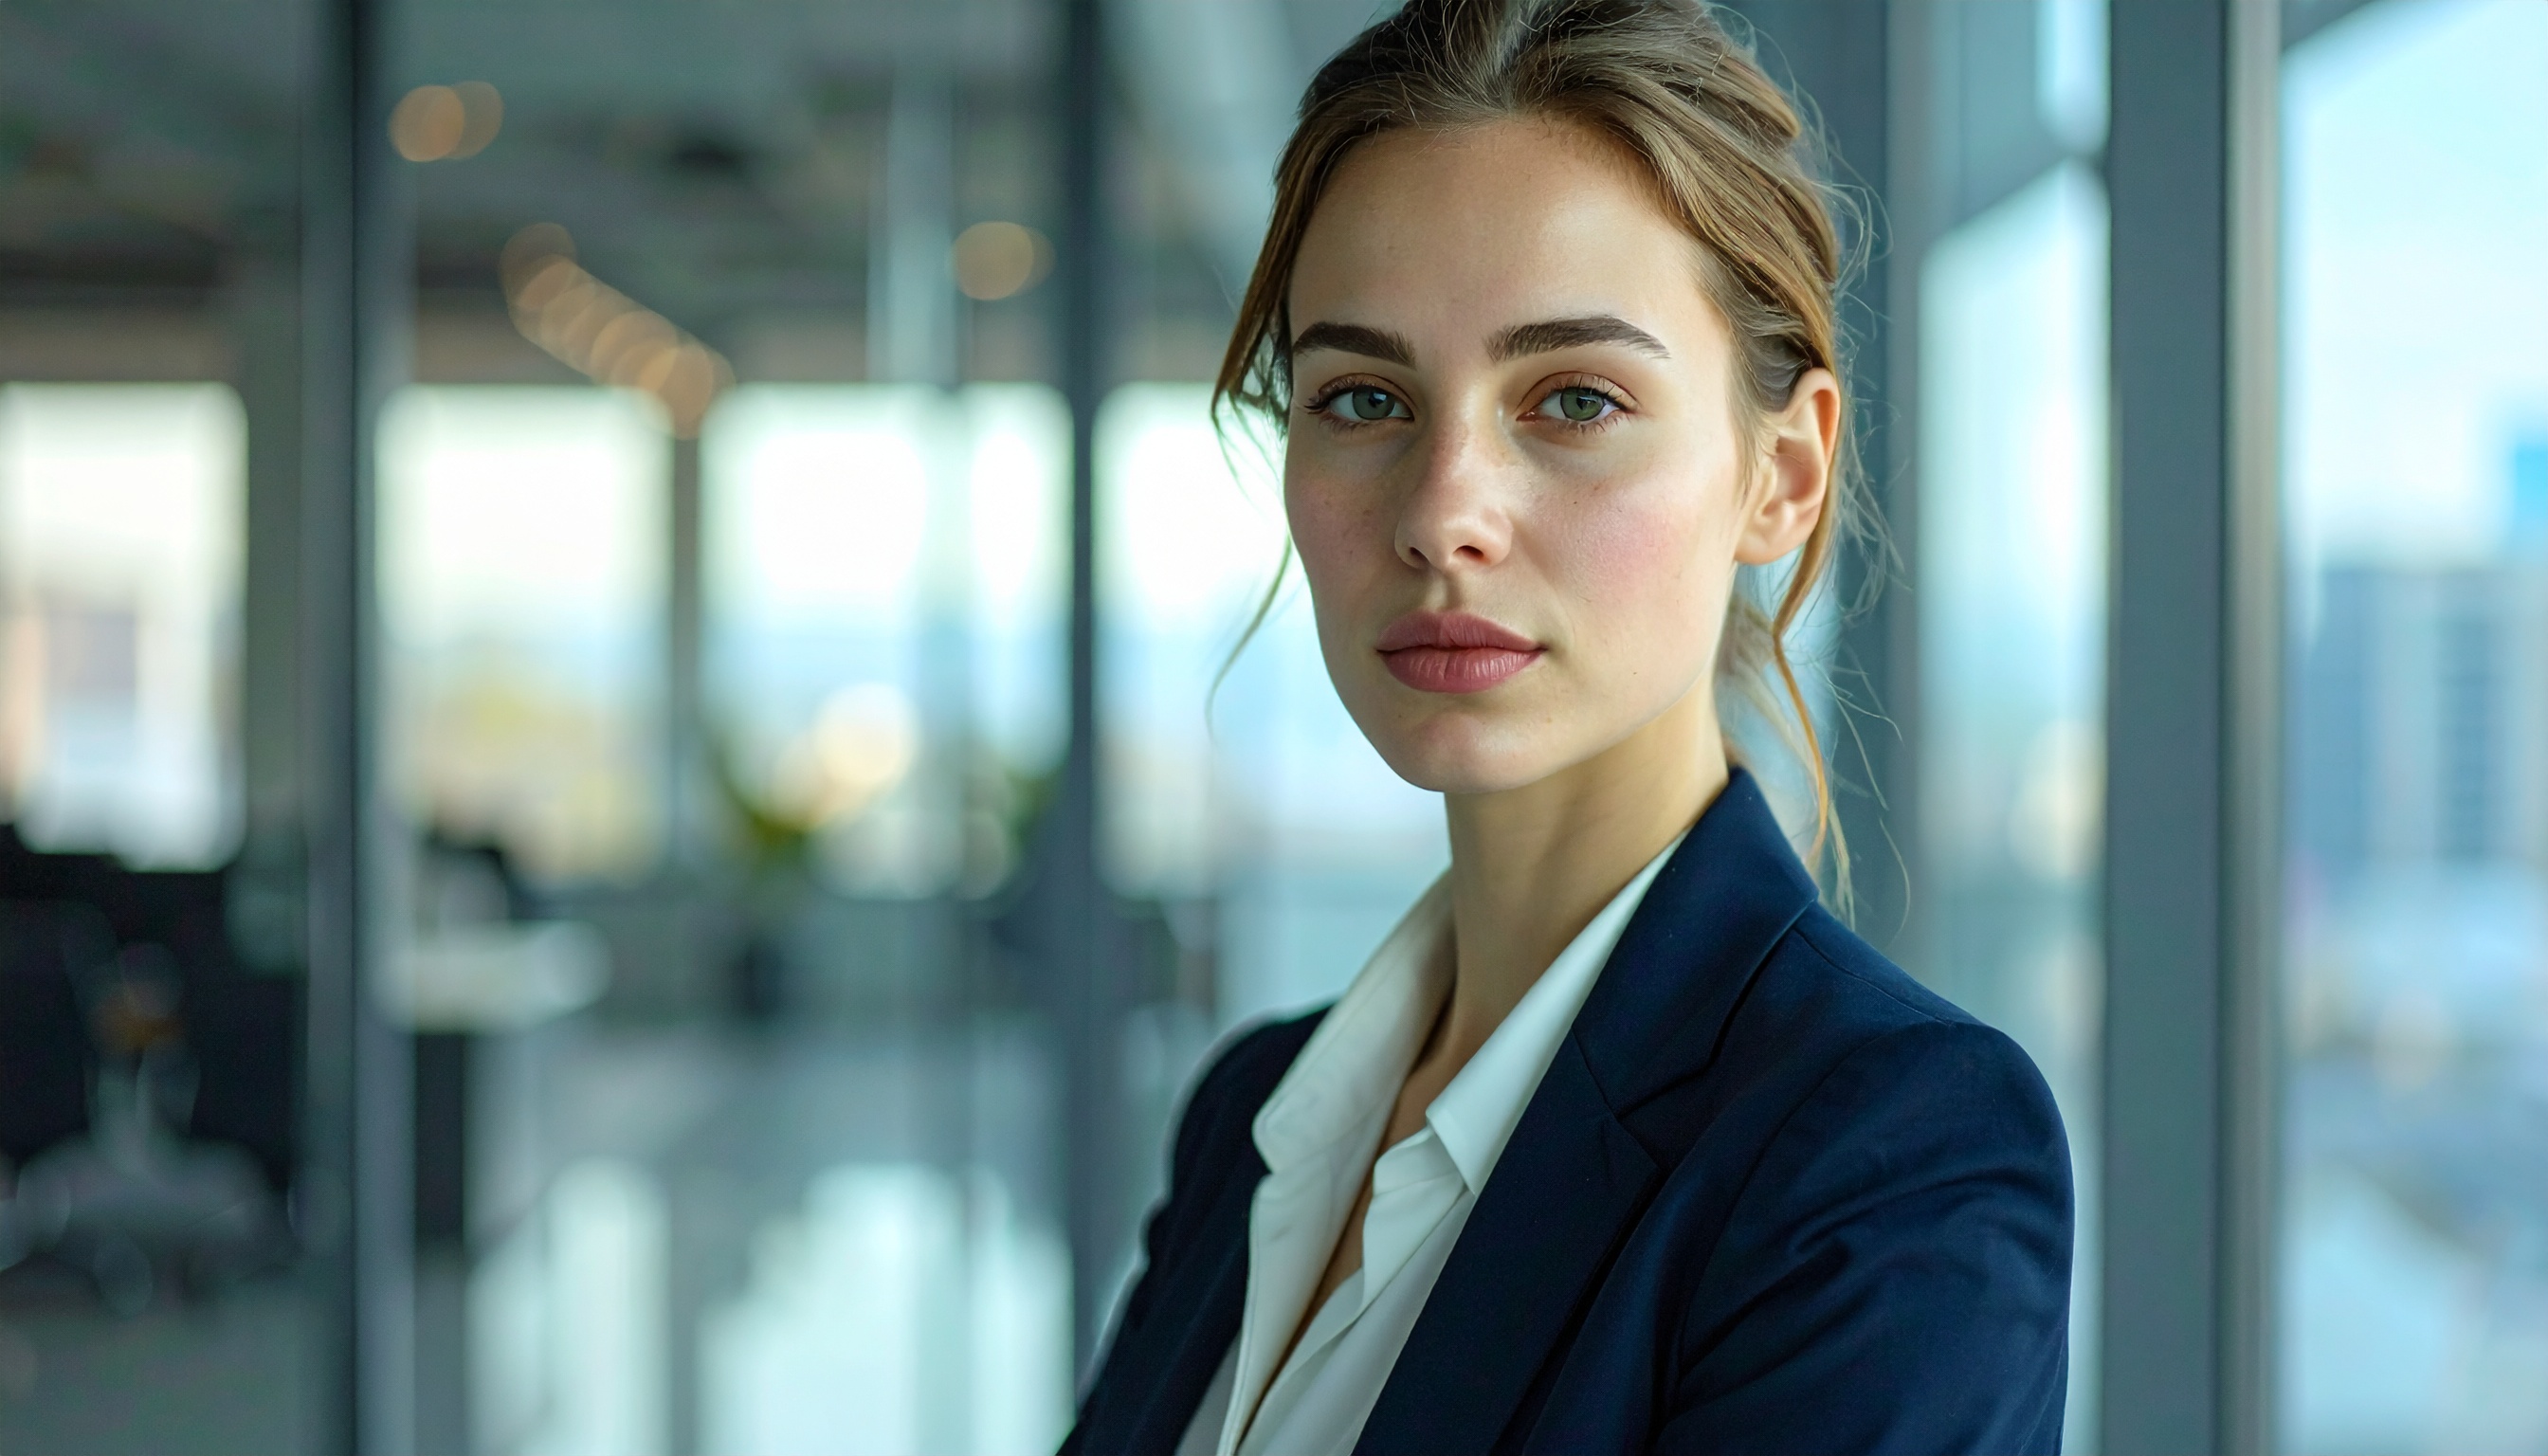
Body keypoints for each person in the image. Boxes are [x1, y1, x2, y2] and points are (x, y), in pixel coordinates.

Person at [1063, 1, 2073, 1451]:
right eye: (1364, 397)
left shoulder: (1890, 1159)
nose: (1443, 514)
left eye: (1576, 401)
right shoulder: (1254, 1118)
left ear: (1783, 475)